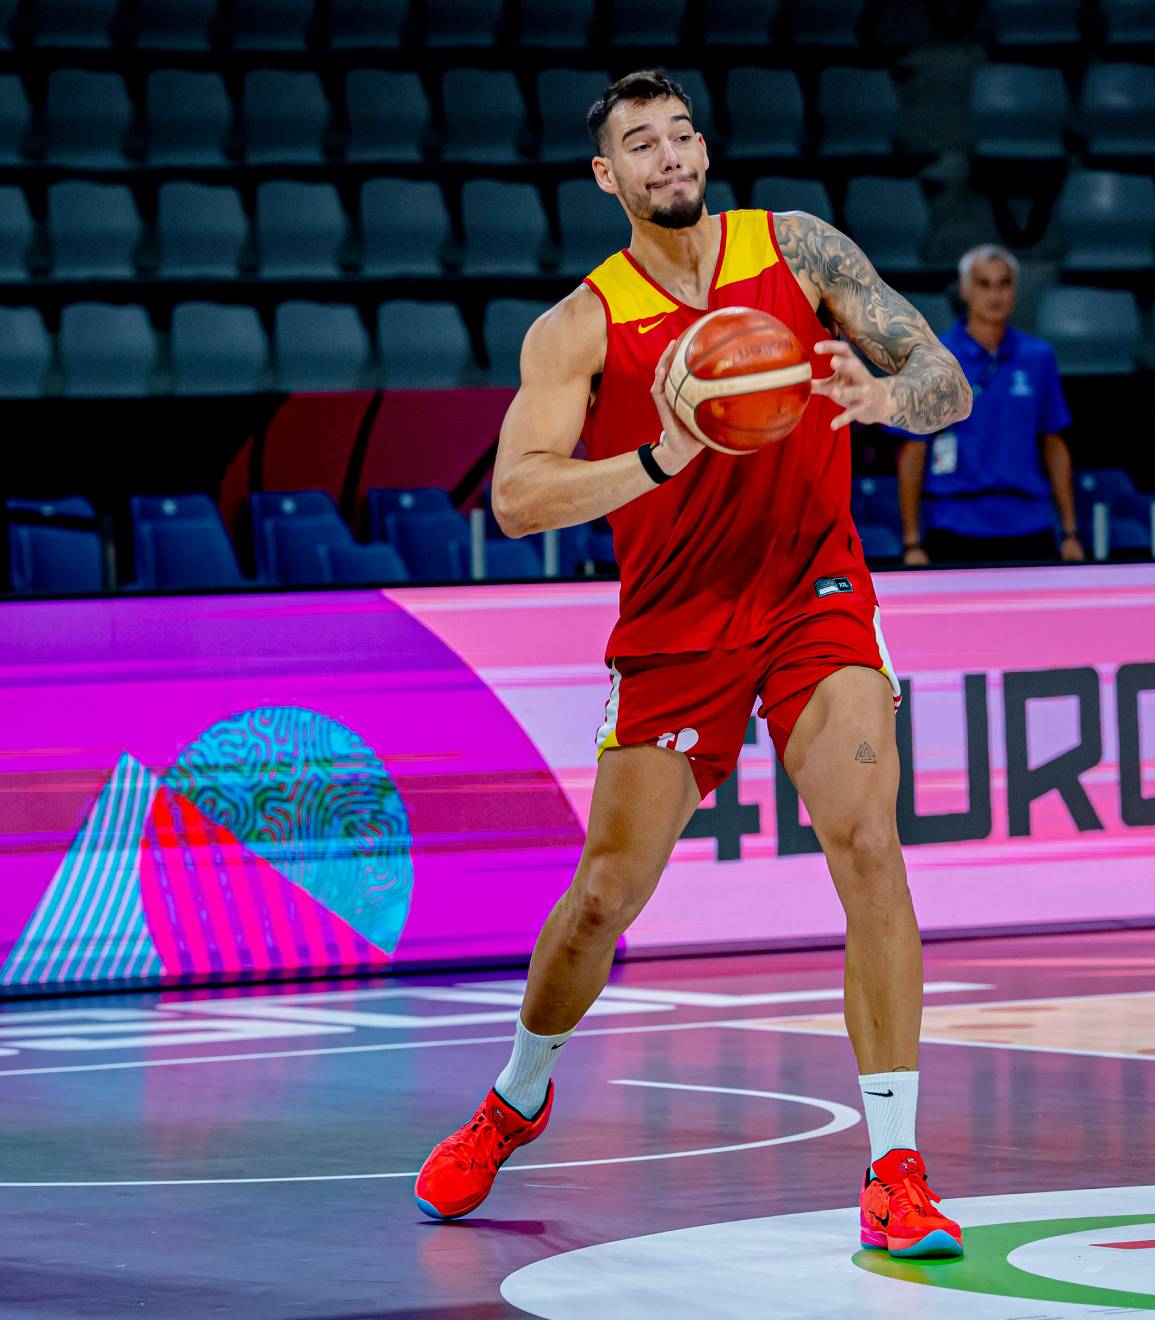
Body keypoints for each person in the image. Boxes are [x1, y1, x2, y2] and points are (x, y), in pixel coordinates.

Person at [411, 70, 974, 1262]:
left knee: (867, 841)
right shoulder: (579, 324)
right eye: (640, 143)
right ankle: (517, 1095)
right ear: (606, 176)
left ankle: (896, 1168)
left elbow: (947, 383)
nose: (667, 155)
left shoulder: (799, 249)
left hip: (815, 592)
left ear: (704, 152)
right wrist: (661, 459)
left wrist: (883, 395)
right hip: (677, 623)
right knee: (603, 899)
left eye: (680, 135)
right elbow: (516, 498)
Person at [896, 245, 1084, 567]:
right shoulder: (934, 358)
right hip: (954, 523)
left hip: (1028, 524)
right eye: (984, 284)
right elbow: (914, 448)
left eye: (1003, 284)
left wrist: (1070, 533)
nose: (995, 295)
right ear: (965, 290)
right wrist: (911, 542)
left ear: (1015, 289)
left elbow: (1053, 442)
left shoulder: (1038, 357)